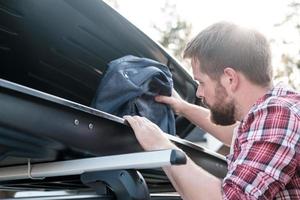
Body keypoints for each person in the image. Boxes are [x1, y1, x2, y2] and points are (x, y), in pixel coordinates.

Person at [124, 21, 300, 199]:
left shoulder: (278, 114)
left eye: (201, 82)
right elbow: (233, 133)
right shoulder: (276, 112)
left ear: (230, 79)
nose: (199, 93)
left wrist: (160, 146)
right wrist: (182, 108)